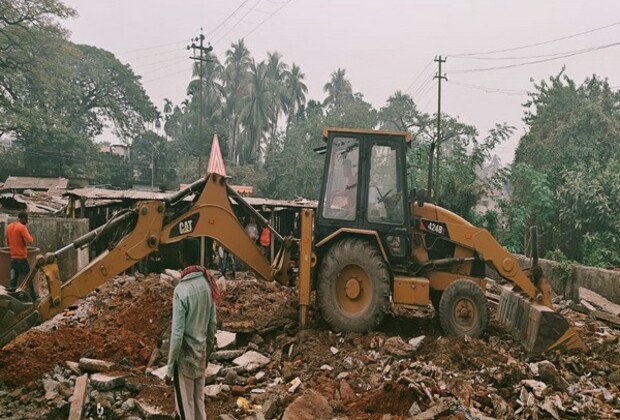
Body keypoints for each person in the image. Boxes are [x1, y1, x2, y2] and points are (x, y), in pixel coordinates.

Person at [165, 238, 219, 420]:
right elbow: (212, 325)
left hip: (185, 360)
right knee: (198, 405)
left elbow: (177, 333)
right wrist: (207, 351)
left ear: (182, 257)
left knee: (185, 409)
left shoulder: (181, 290)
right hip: (201, 354)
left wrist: (170, 367)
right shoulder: (207, 284)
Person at [6, 211, 35, 300]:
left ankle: (12, 300)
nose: (27, 221)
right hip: (21, 258)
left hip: (13, 258)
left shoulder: (9, 227)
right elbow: (30, 241)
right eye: (27, 219)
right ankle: (33, 298)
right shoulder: (22, 227)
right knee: (28, 279)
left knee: (13, 282)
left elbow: (8, 242)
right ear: (23, 218)